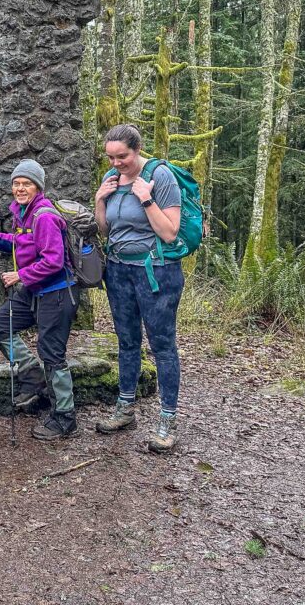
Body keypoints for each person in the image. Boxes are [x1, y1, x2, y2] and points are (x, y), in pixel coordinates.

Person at [94, 123, 183, 453]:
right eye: (110, 157)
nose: (116, 163)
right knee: (127, 341)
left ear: (137, 149)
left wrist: (146, 199)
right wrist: (100, 200)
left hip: (156, 272)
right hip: (118, 271)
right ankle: (125, 408)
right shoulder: (111, 178)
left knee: (162, 344)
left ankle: (168, 420)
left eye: (122, 157)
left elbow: (170, 232)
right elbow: (105, 230)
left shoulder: (161, 177)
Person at [0, 159, 81, 441]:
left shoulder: (45, 216)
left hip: (57, 293)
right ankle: (32, 377)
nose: (20, 188)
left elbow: (53, 260)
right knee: (0, 324)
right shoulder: (23, 214)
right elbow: (22, 242)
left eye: (26, 183)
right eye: (16, 183)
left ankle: (65, 417)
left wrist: (20, 275)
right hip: (34, 291)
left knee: (52, 353)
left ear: (38, 187)